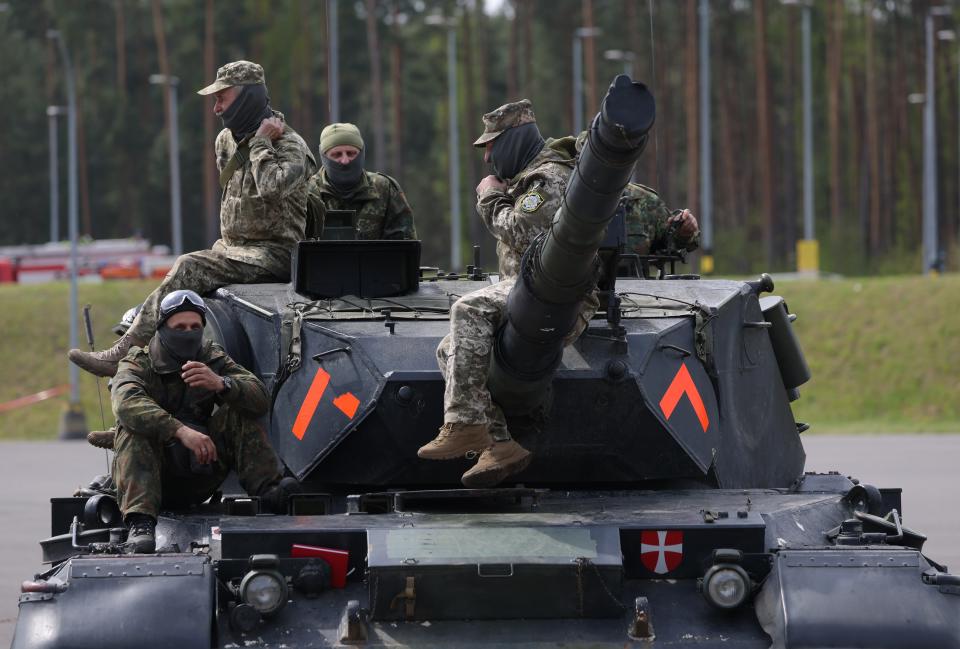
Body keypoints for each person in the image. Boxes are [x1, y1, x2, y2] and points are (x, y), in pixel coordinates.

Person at [69, 60, 316, 378]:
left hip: (274, 255)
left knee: (188, 267)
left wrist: (260, 143)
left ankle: (124, 353)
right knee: (187, 296)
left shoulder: (291, 146)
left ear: (247, 99)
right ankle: (152, 374)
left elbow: (270, 188)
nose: (216, 109)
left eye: (222, 98)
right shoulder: (226, 140)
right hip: (231, 250)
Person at [418, 99, 578, 488]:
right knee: (450, 349)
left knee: (467, 309)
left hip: (552, 297)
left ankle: (464, 423)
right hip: (528, 291)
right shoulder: (530, 179)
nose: (488, 157)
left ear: (513, 140)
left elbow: (521, 228)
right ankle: (501, 443)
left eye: (492, 145)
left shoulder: (547, 179)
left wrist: (489, 196)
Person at [111, 290, 298, 553]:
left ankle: (269, 491)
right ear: (163, 328)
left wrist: (222, 384)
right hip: (155, 478)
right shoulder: (139, 362)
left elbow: (259, 398)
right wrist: (180, 431)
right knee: (133, 428)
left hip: (201, 469)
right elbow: (125, 403)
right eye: (179, 327)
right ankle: (140, 523)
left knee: (238, 409)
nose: (188, 333)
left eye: (194, 327)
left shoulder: (209, 355)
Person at [304, 122, 416, 240]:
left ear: (361, 153)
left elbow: (405, 245)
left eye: (351, 153)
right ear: (324, 157)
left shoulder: (385, 189)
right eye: (337, 155)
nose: (345, 160)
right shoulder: (306, 193)